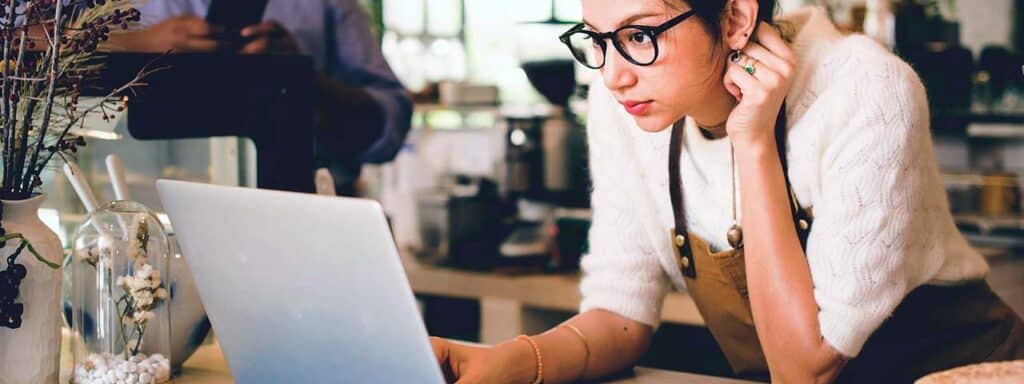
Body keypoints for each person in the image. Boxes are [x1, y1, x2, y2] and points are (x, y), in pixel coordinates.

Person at [430, 1, 1024, 383]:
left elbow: (804, 368)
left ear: (736, 18)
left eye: (641, 35)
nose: (612, 74)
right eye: (597, 38)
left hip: (965, 370)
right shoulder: (625, 109)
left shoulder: (866, 92)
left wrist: (754, 143)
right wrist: (511, 361)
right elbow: (619, 314)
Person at [111, 0, 412, 195]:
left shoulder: (328, 5)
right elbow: (64, 51)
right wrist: (135, 43)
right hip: (145, 209)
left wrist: (301, 77)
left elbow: (389, 127)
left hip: (303, 209)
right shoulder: (115, 6)